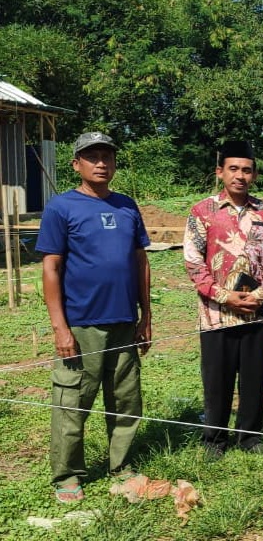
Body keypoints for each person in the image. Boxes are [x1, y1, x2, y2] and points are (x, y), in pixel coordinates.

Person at [37, 132, 151, 503]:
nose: (101, 163)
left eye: (107, 156)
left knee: (125, 400)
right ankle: (68, 475)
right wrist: (60, 328)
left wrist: (146, 315)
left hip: (123, 321)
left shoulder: (126, 206)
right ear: (76, 165)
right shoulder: (62, 207)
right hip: (81, 324)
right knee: (73, 402)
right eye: (92, 157)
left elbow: (140, 261)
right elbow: (51, 267)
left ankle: (121, 466)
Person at [183, 140, 263, 456]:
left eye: (246, 170)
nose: (240, 175)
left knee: (254, 377)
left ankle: (250, 437)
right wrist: (224, 296)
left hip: (259, 311)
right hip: (217, 314)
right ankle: (215, 439)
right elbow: (194, 262)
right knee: (217, 379)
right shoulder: (203, 211)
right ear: (220, 172)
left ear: (254, 175)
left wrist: (260, 295)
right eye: (233, 169)